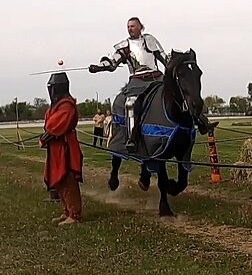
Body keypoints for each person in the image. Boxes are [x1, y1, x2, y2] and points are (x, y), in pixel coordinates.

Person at [88, 17, 168, 151]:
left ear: (140, 27)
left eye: (132, 26)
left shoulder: (150, 40)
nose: (130, 29)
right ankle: (132, 139)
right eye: (128, 27)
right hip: (137, 80)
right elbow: (113, 62)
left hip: (156, 76)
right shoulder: (124, 46)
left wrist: (173, 68)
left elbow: (163, 57)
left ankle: (199, 120)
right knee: (130, 103)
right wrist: (99, 67)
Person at [40, 72, 84, 225]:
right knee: (59, 181)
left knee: (68, 179)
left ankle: (74, 214)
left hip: (66, 148)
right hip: (56, 148)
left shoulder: (67, 105)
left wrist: (46, 136)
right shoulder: (57, 105)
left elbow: (55, 125)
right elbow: (49, 122)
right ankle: (66, 211)